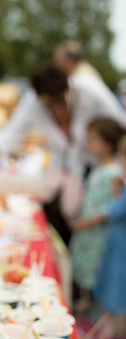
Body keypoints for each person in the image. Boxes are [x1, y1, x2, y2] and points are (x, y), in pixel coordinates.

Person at [0, 64, 126, 244]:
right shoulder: (33, 103)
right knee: (63, 222)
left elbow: (118, 125)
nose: (58, 109)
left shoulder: (90, 90)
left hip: (97, 166)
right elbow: (11, 133)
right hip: (64, 172)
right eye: (50, 105)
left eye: (62, 101)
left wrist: (121, 167)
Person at [69, 118, 124, 315]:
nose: (88, 144)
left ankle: (96, 317)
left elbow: (110, 208)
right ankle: (90, 312)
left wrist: (85, 223)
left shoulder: (114, 172)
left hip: (98, 235)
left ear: (108, 144)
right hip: (89, 232)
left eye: (93, 140)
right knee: (86, 273)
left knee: (96, 273)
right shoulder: (100, 167)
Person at [95, 134, 126, 338]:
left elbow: (115, 212)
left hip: (121, 249)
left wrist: (116, 192)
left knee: (115, 290)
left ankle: (109, 332)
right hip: (117, 244)